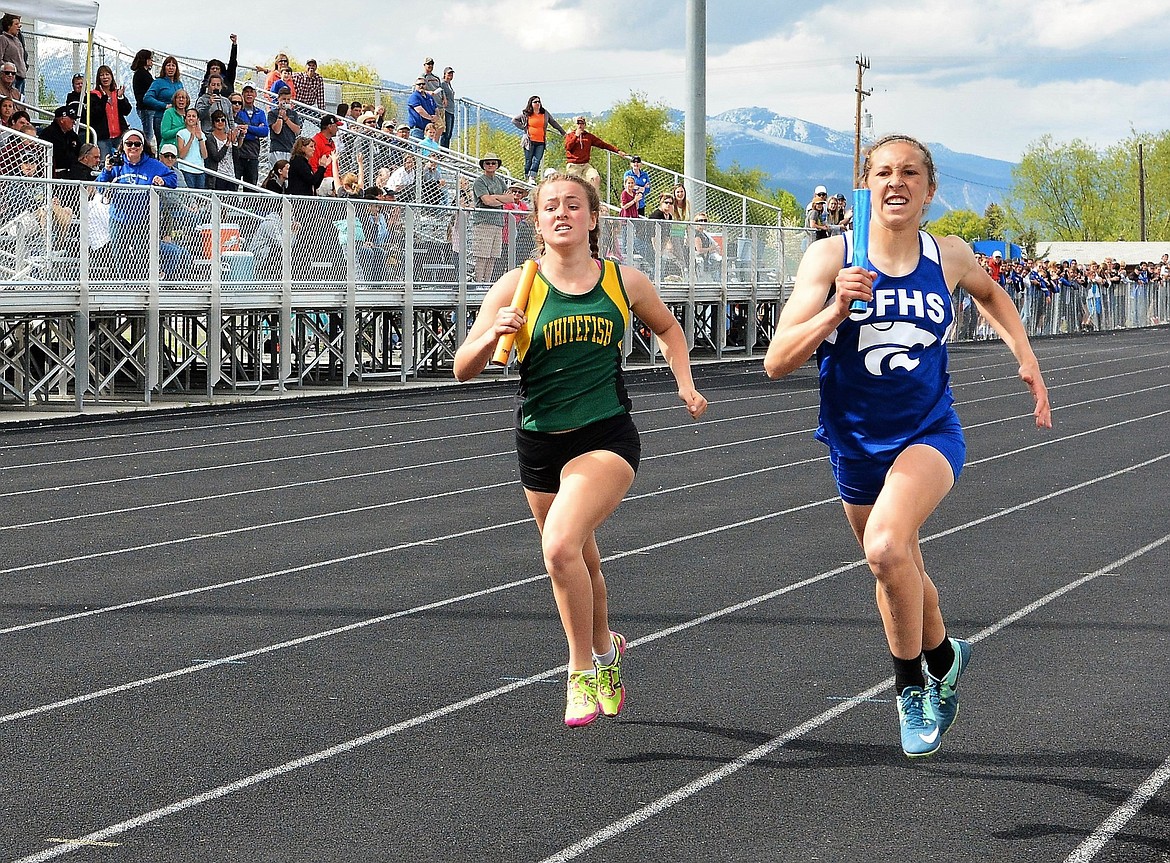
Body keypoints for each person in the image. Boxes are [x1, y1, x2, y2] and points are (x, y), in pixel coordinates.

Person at [762, 133, 1052, 758]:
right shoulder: (829, 257)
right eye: (884, 172)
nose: (897, 182)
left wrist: (1025, 357)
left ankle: (910, 687)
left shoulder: (946, 255)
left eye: (911, 173)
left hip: (929, 433)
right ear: (866, 184)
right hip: (854, 442)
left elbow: (992, 294)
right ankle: (946, 655)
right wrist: (837, 308)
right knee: (900, 567)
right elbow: (777, 362)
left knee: (887, 546)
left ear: (930, 188)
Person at [454, 172, 707, 727]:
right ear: (537, 221)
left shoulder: (623, 281)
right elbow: (463, 368)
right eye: (550, 207)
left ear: (593, 218)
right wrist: (491, 332)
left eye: (573, 205)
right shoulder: (515, 285)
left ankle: (579, 670)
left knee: (560, 548)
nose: (561, 213)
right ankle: (607, 649)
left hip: (605, 435)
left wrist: (684, 382)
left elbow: (668, 330)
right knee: (581, 558)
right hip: (540, 440)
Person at [96, 128, 179, 280]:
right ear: (123, 146)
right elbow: (100, 187)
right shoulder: (117, 164)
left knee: (144, 254)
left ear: (142, 146)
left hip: (143, 220)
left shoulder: (153, 165)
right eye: (129, 144)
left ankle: (143, 284)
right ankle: (124, 283)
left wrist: (163, 181)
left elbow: (173, 179)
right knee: (120, 255)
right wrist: (107, 170)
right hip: (119, 219)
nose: (133, 147)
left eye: (137, 144)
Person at [470, 152, 511, 283]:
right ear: (483, 165)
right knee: (482, 256)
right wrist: (500, 199)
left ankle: (486, 283)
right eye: (488, 163)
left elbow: (510, 198)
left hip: (498, 222)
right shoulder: (479, 181)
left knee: (493, 256)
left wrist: (494, 198)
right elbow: (487, 201)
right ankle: (478, 283)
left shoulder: (500, 181)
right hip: (484, 222)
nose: (491, 165)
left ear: (497, 165)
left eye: (493, 163)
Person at [79, 65, 132, 159]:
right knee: (104, 162)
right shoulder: (93, 95)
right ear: (98, 78)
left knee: (123, 161)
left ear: (111, 77)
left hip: (119, 135)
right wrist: (103, 99)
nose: (105, 77)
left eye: (107, 74)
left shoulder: (117, 93)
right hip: (103, 137)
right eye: (102, 75)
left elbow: (126, 111)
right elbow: (95, 114)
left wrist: (120, 98)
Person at [513, 95, 566, 183]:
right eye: (535, 102)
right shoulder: (527, 114)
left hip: (540, 141)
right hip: (529, 141)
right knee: (528, 160)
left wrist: (562, 132)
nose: (537, 103)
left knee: (537, 160)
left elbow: (553, 122)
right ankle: (526, 176)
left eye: (539, 102)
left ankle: (532, 177)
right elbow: (514, 120)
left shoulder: (544, 113)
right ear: (531, 104)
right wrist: (524, 127)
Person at [564, 116, 627, 189]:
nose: (580, 125)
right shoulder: (570, 135)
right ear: (576, 125)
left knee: (595, 177)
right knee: (574, 186)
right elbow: (568, 147)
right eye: (578, 123)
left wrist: (618, 151)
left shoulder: (589, 137)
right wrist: (576, 136)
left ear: (585, 125)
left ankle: (594, 198)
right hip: (573, 165)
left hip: (585, 165)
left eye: (582, 123)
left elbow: (603, 144)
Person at [142, 56, 183, 145]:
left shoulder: (179, 84)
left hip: (177, 119)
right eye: (168, 65)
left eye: (173, 65)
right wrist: (164, 105)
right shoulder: (158, 82)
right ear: (164, 67)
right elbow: (147, 98)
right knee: (163, 145)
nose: (171, 68)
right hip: (161, 118)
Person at [234, 84, 269, 186]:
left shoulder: (260, 112)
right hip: (238, 154)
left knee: (251, 187)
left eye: (251, 91)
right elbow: (237, 130)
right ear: (243, 94)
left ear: (255, 94)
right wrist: (256, 131)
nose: (249, 94)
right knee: (233, 186)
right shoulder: (238, 110)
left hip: (253, 155)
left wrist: (248, 128)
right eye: (246, 91)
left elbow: (265, 132)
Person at [38, 104, 81, 178]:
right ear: (62, 120)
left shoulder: (72, 135)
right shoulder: (48, 134)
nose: (74, 122)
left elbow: (79, 150)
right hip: (54, 174)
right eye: (71, 119)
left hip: (72, 172)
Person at [174, 107, 208, 189]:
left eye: (193, 116)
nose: (191, 118)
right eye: (189, 116)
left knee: (200, 198)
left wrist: (200, 138)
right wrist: (191, 138)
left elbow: (205, 155)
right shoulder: (181, 133)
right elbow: (181, 155)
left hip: (200, 169)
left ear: (197, 119)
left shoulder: (202, 134)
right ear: (185, 118)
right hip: (186, 169)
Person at [267, 87, 301, 166]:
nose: (286, 101)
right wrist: (280, 116)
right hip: (277, 149)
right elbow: (277, 130)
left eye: (288, 99)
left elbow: (297, 130)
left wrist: (286, 119)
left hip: (290, 149)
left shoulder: (293, 114)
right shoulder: (272, 114)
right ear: (278, 99)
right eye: (283, 99)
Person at [130, 49, 156, 146]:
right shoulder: (142, 74)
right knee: (148, 133)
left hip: (144, 107)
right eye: (150, 59)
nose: (151, 61)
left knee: (148, 132)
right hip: (146, 108)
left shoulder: (140, 73)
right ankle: (146, 149)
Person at [0, 15, 26, 96]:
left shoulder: (17, 40)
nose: (19, 26)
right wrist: (8, 70)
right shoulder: (3, 39)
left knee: (20, 103)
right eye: (16, 24)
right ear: (9, 26)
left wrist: (25, 68)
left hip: (21, 77)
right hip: (11, 78)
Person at [438, 67, 456, 150]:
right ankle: (443, 152)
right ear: (444, 74)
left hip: (451, 110)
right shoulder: (443, 83)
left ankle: (446, 151)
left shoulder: (449, 84)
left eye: (451, 74)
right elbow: (440, 93)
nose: (450, 75)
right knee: (445, 133)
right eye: (449, 73)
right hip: (446, 110)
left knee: (449, 134)